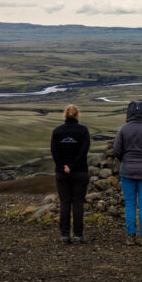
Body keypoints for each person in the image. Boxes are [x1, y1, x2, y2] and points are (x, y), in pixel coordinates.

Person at [113, 101, 142, 246]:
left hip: (127, 171)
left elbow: (116, 151)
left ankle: (130, 236)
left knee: (130, 203)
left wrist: (125, 161)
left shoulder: (123, 129)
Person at [50, 104, 91, 245]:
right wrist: (72, 166)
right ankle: (78, 235)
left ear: (65, 115)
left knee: (65, 202)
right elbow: (83, 152)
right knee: (78, 202)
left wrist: (64, 167)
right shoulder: (83, 131)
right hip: (80, 172)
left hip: (62, 173)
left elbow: (54, 152)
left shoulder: (57, 131)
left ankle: (65, 235)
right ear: (77, 115)